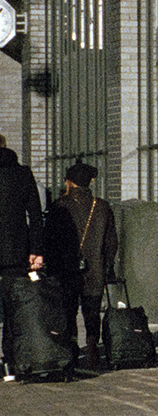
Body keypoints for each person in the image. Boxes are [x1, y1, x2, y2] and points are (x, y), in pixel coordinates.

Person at [46, 162, 117, 368]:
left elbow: (50, 240)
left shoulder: (60, 205)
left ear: (70, 182)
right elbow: (111, 240)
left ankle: (72, 349)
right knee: (92, 310)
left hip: (66, 269)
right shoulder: (102, 206)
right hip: (95, 267)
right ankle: (93, 344)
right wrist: (107, 266)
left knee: (69, 310)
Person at [0, 144, 47, 378]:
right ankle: (11, 362)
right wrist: (36, 250)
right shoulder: (22, 174)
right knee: (13, 309)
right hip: (15, 253)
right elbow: (36, 215)